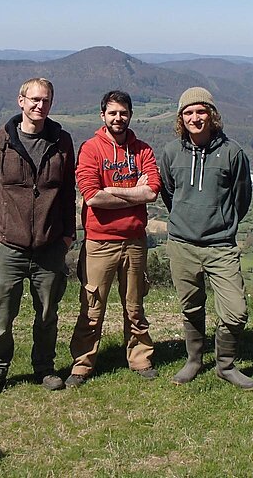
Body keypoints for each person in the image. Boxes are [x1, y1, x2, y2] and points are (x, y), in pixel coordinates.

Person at [0, 77, 76, 393]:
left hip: (50, 246)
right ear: (21, 101)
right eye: (34, 99)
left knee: (47, 315)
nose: (39, 105)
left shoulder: (61, 141)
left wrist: (68, 235)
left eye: (45, 100)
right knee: (1, 314)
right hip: (8, 245)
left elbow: (67, 192)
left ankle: (44, 368)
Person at [158, 87, 253, 390]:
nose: (195, 118)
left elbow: (242, 198)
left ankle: (225, 365)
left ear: (212, 115)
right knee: (191, 307)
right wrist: (185, 219)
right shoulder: (171, 153)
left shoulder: (232, 153)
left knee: (236, 312)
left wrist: (222, 223)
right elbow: (169, 193)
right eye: (188, 112)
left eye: (200, 111)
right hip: (182, 244)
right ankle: (194, 360)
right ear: (181, 118)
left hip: (220, 245)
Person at [65, 90, 161, 387]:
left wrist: (113, 190)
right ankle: (82, 364)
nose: (118, 118)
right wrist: (134, 193)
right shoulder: (91, 149)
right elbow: (92, 197)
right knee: (92, 306)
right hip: (100, 241)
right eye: (113, 113)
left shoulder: (142, 150)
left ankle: (140, 358)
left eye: (123, 113)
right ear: (103, 115)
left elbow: (152, 192)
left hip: (134, 240)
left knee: (135, 305)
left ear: (130, 115)